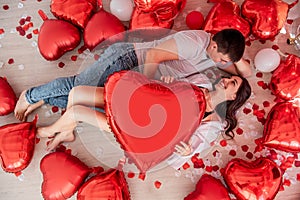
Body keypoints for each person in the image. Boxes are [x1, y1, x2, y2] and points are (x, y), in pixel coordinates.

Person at [14, 28, 252, 122]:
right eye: (222, 59)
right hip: (130, 59)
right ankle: (32, 95)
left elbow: (246, 72)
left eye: (226, 62)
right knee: (79, 85)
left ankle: (47, 97)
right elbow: (153, 57)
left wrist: (235, 55)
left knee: (96, 103)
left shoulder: (216, 55)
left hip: (138, 68)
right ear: (213, 46)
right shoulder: (193, 44)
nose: (222, 66)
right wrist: (146, 87)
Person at [36, 70, 251, 171]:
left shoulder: (211, 122)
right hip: (137, 100)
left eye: (232, 83)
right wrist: (170, 81)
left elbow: (187, 147)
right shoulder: (201, 82)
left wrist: (188, 153)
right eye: (229, 78)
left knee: (76, 112)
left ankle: (49, 131)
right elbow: (170, 92)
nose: (225, 80)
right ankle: (66, 132)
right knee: (77, 93)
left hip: (137, 127)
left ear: (233, 97)